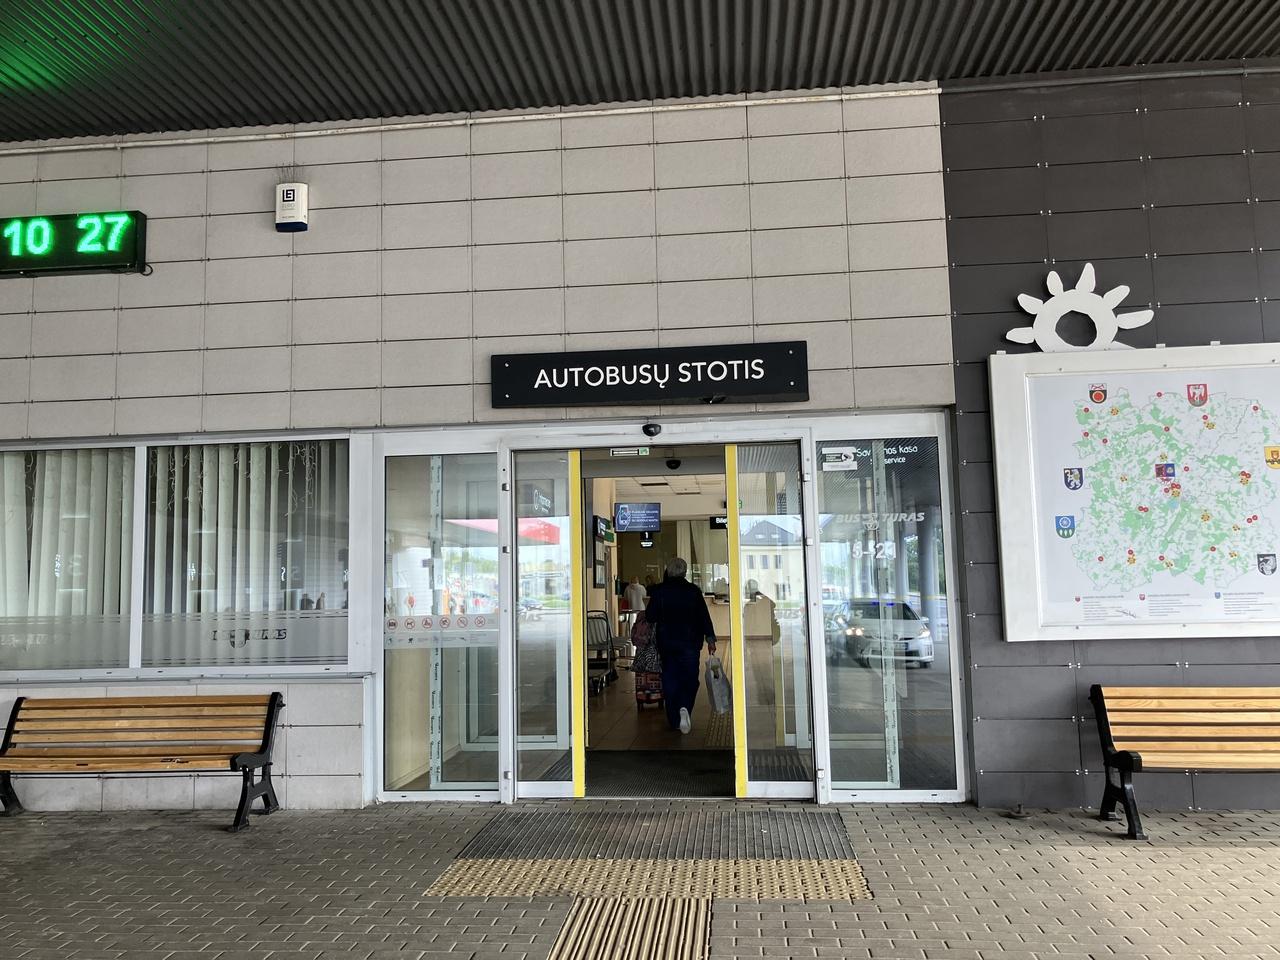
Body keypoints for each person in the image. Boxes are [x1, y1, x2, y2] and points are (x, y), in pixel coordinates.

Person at [645, 557, 716, 734]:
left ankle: (675, 720)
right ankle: (685, 706)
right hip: (690, 643)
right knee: (690, 678)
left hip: (667, 643)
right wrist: (710, 638)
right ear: (685, 572)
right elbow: (703, 617)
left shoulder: (660, 591)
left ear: (668, 572)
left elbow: (650, 616)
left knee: (670, 678)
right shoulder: (693, 591)